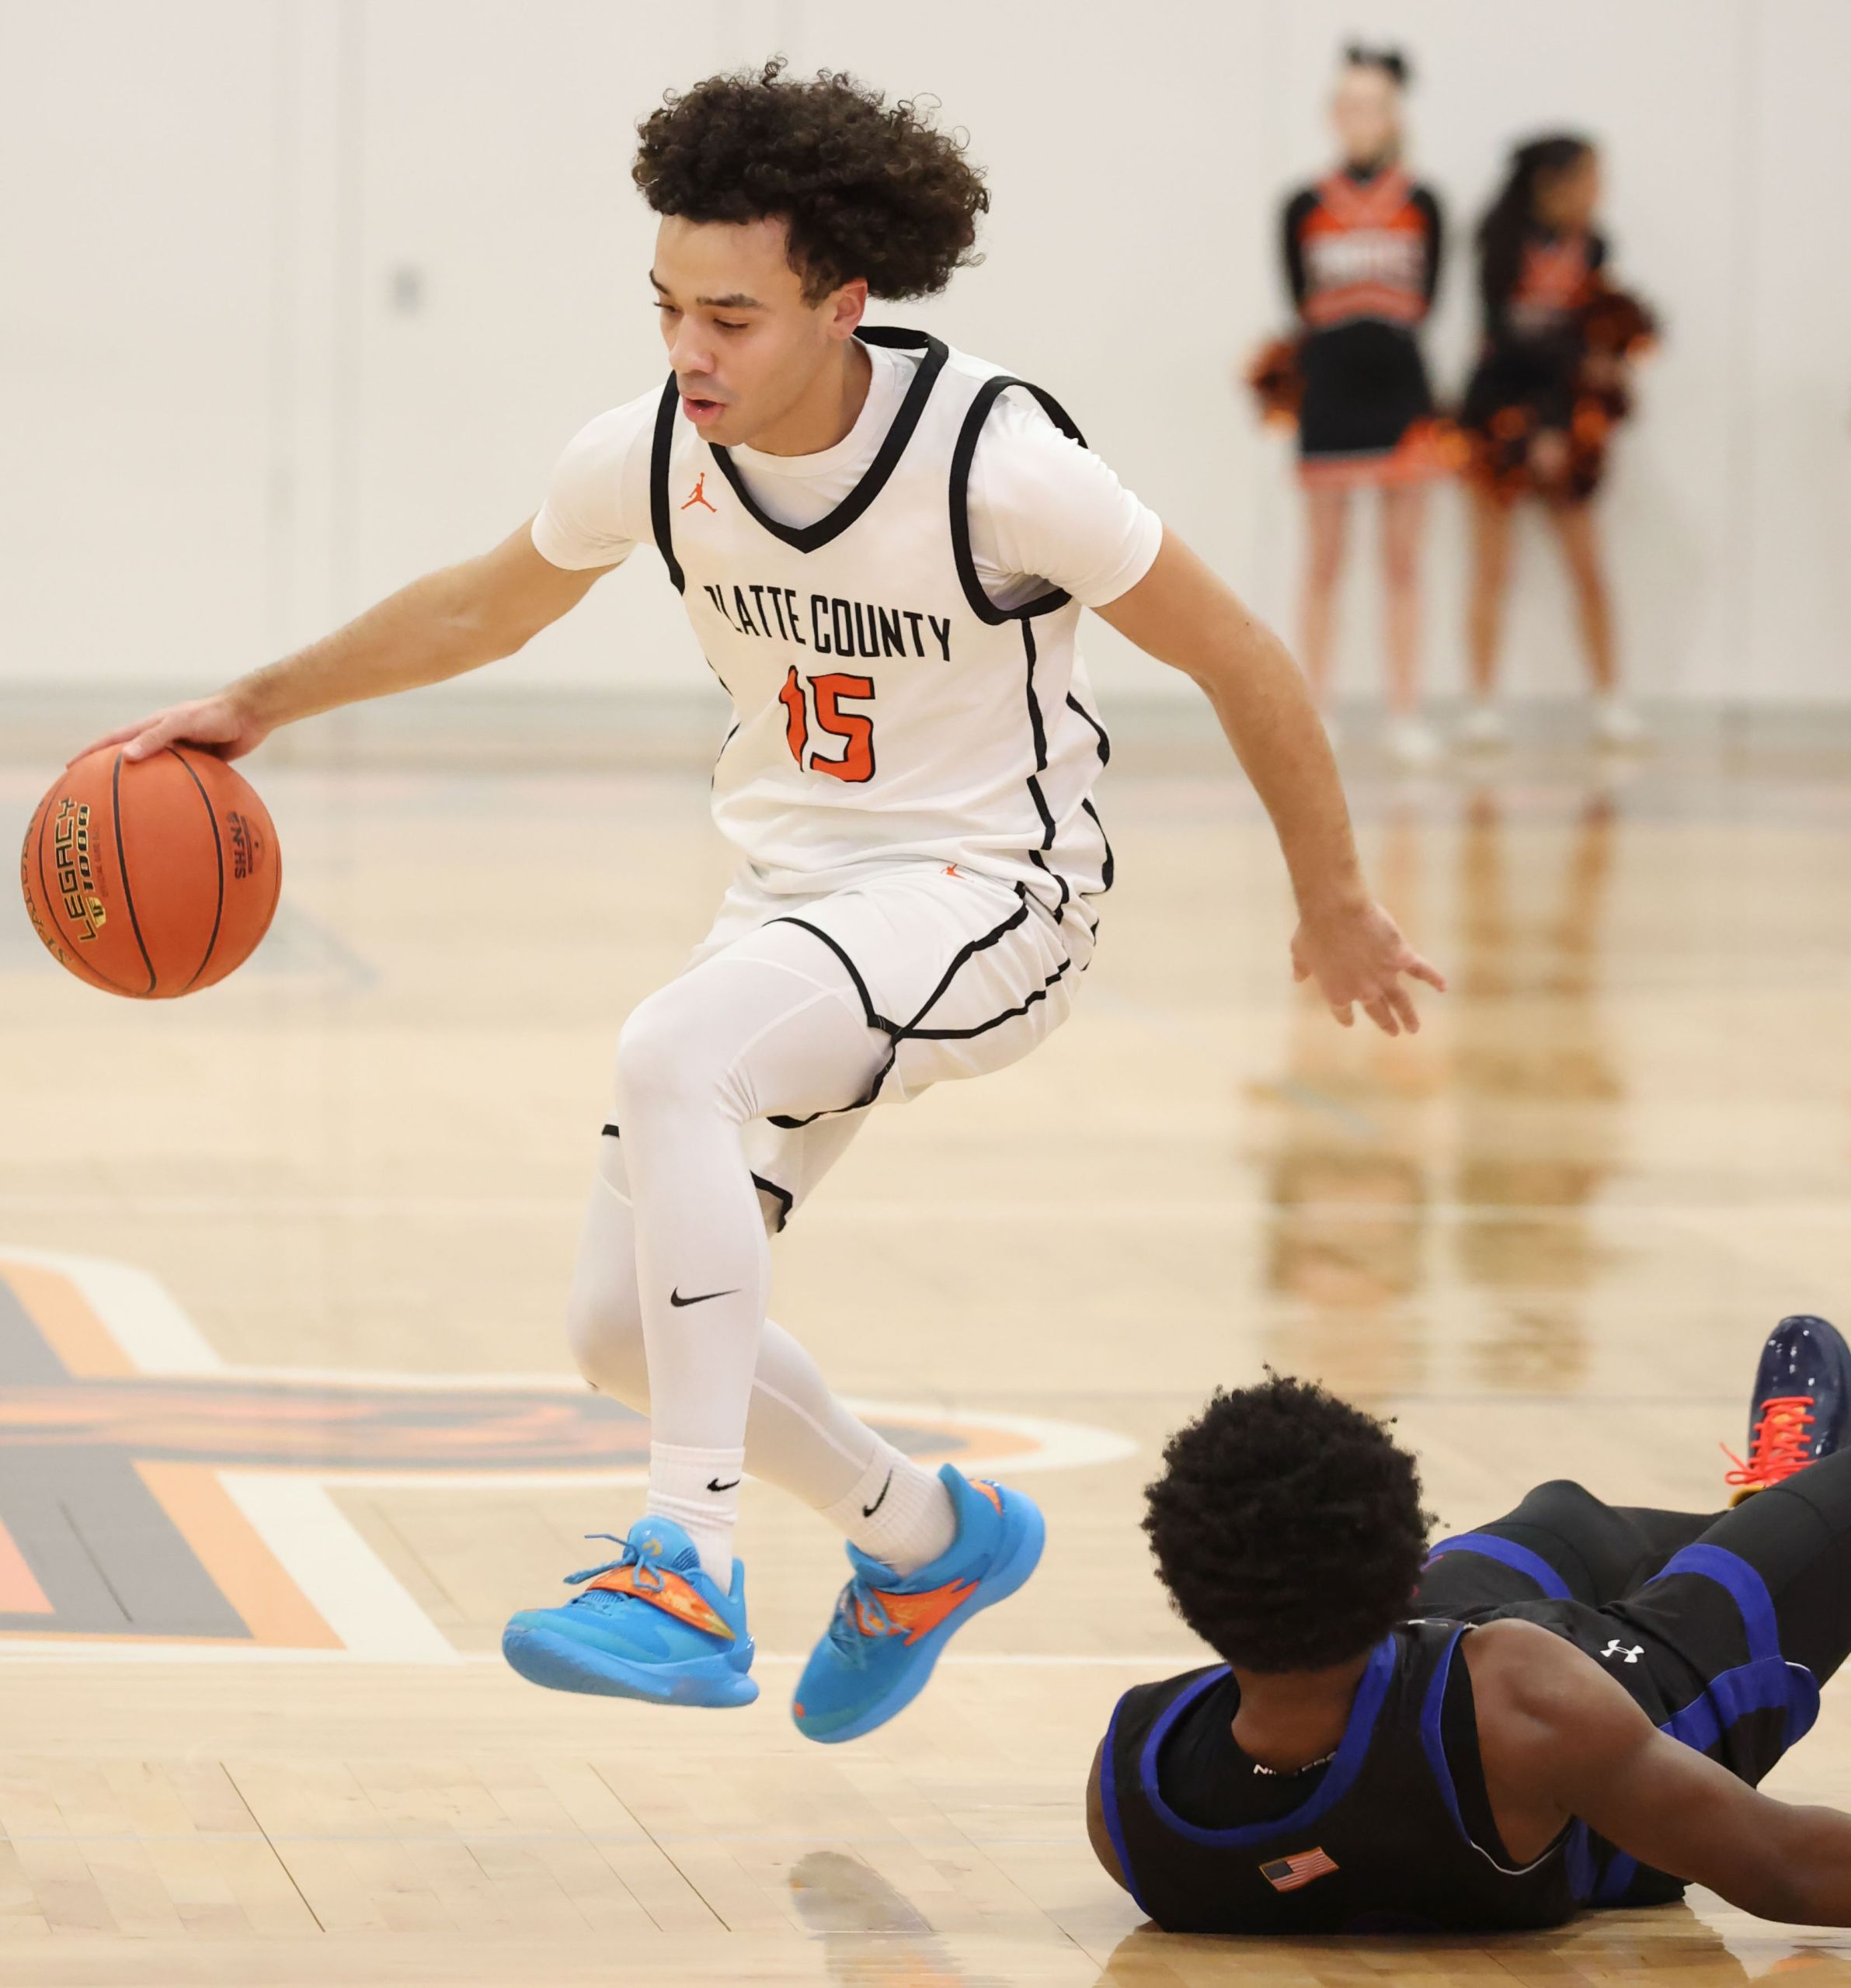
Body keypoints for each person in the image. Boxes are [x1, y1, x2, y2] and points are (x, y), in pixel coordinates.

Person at [82, 61, 1441, 1735]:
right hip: (799, 903)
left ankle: (687, 1569)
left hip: (994, 895)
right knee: (620, 1330)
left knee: (676, 1053)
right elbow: (480, 608)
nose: (689, 349)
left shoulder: (995, 462)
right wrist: (260, 702)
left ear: (841, 302)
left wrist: (1334, 897)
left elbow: (1240, 656)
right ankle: (930, 1539)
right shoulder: (655, 451)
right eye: (667, 307)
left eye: (730, 315)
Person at [1088, 1315, 1851, 1932]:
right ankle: (1789, 1511)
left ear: (1183, 1585)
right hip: (1645, 1703)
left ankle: (1778, 1511)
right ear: (1402, 1568)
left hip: (1463, 1672)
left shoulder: (1128, 1795)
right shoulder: (1521, 1699)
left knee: (1564, 1518)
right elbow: (1786, 1867)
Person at [1264, 46, 1448, 767]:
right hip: (1330, 391)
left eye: (1374, 105)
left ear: (1394, 115)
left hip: (1401, 390)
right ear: (1331, 115)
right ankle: (1318, 709)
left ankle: (1405, 712)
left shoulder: (1423, 202)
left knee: (1403, 562)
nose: (1361, 117)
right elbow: (1298, 301)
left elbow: (1428, 297)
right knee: (1323, 562)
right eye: (1348, 105)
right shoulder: (1302, 205)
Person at [1457, 136, 1656, 752]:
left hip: (1567, 421)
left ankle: (1609, 701)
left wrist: (1572, 402)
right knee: (1492, 568)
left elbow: (1590, 328)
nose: (1599, 192)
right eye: (1590, 179)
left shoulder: (1594, 245)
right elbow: (1507, 339)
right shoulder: (1499, 239)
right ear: (1552, 183)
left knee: (1587, 566)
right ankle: (1481, 707)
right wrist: (1553, 394)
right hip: (1496, 416)